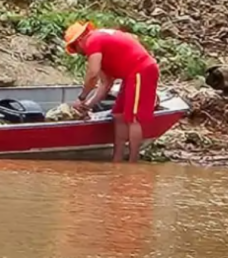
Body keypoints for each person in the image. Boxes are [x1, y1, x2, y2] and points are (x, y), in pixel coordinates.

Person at [64, 21, 160, 163]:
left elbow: (92, 75)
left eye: (75, 48)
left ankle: (133, 162)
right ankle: (118, 159)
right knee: (118, 115)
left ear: (79, 40)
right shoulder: (100, 46)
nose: (79, 53)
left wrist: (82, 97)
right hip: (130, 74)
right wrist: (88, 105)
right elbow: (105, 84)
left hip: (142, 70)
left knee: (133, 118)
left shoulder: (93, 41)